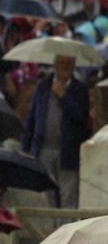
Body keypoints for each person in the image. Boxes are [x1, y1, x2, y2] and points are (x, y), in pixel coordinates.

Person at [21, 54, 89, 209]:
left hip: (68, 152)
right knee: (46, 195)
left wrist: (63, 96)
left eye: (69, 63)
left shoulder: (80, 89)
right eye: (62, 63)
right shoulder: (43, 87)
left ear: (73, 66)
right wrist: (25, 147)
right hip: (43, 149)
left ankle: (67, 232)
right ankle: (49, 232)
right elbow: (31, 118)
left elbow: (81, 118)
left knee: (68, 195)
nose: (65, 67)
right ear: (55, 65)